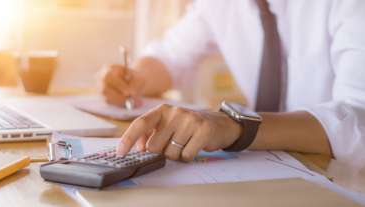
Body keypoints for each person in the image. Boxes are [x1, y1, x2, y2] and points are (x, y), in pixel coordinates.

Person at [98, 0, 365, 168]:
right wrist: (134, 80)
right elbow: (169, 57)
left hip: (341, 176)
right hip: (268, 169)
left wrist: (236, 125)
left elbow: (359, 117)